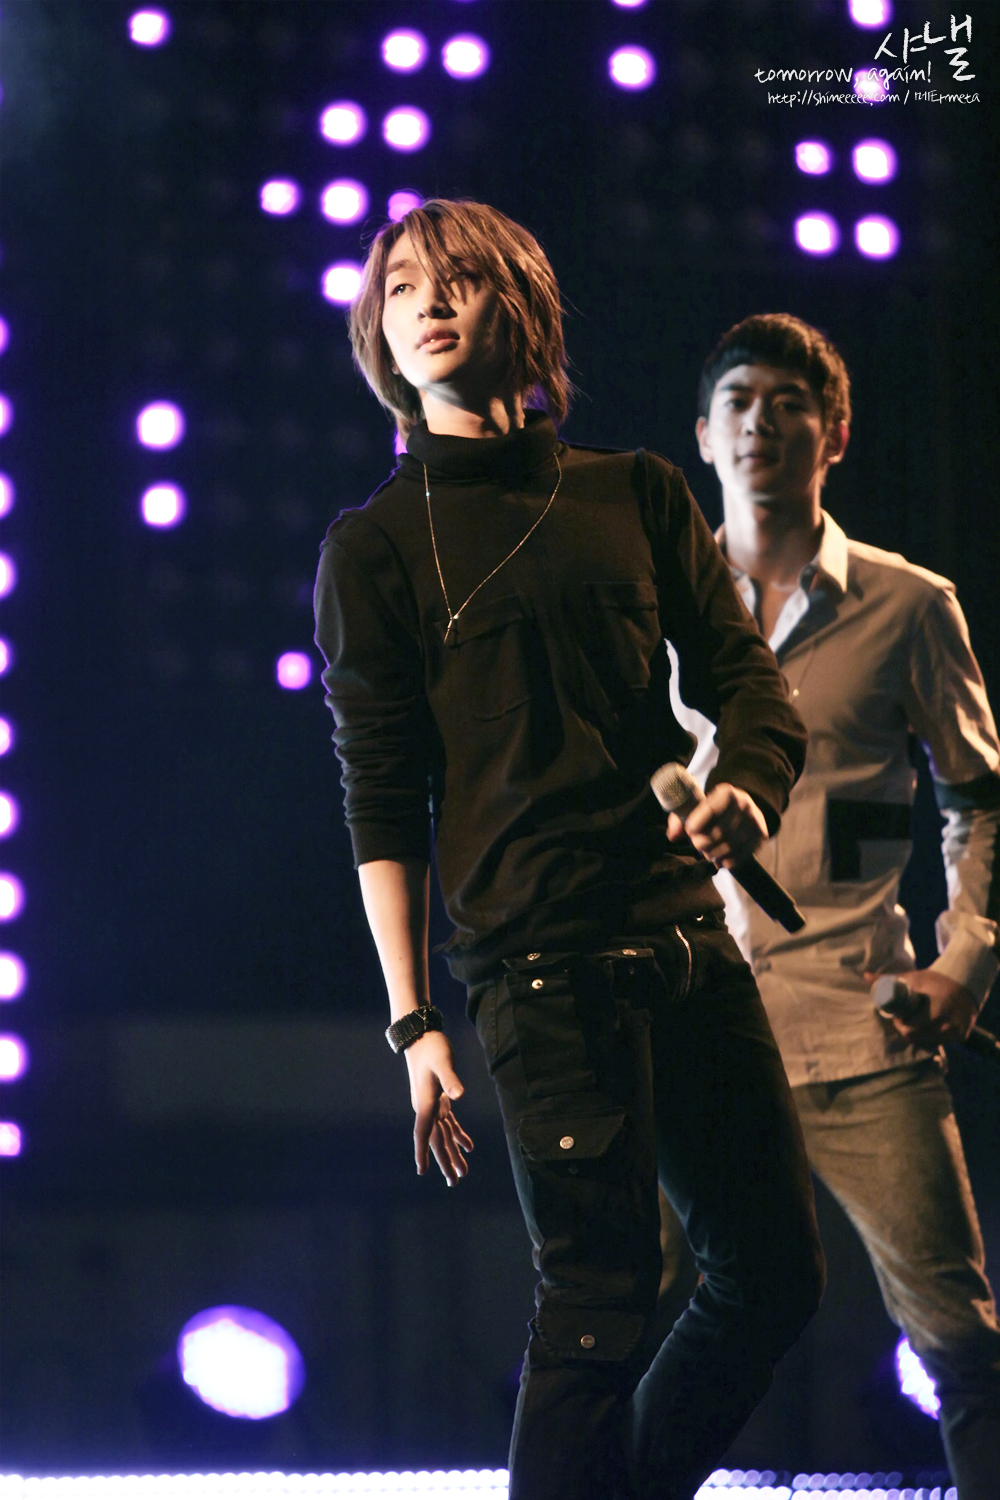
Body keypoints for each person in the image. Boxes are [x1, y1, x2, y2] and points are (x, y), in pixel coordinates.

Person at [313, 201, 824, 1500]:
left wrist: (746, 793)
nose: (429, 302)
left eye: (459, 279)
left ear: (523, 307)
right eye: (403, 287)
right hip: (543, 974)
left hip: (688, 942)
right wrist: (413, 1023)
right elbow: (381, 800)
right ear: (378, 333)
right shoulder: (373, 549)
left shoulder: (636, 491)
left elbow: (751, 689)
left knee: (774, 1275)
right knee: (599, 1302)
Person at [661, 312, 1000, 1499]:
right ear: (703, 435)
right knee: (625, 1329)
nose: (761, 421)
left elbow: (979, 798)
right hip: (689, 1026)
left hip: (859, 1025)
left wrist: (963, 962)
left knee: (960, 1342)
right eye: (738, 402)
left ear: (835, 433)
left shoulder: (908, 606)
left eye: (788, 402)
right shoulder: (651, 608)